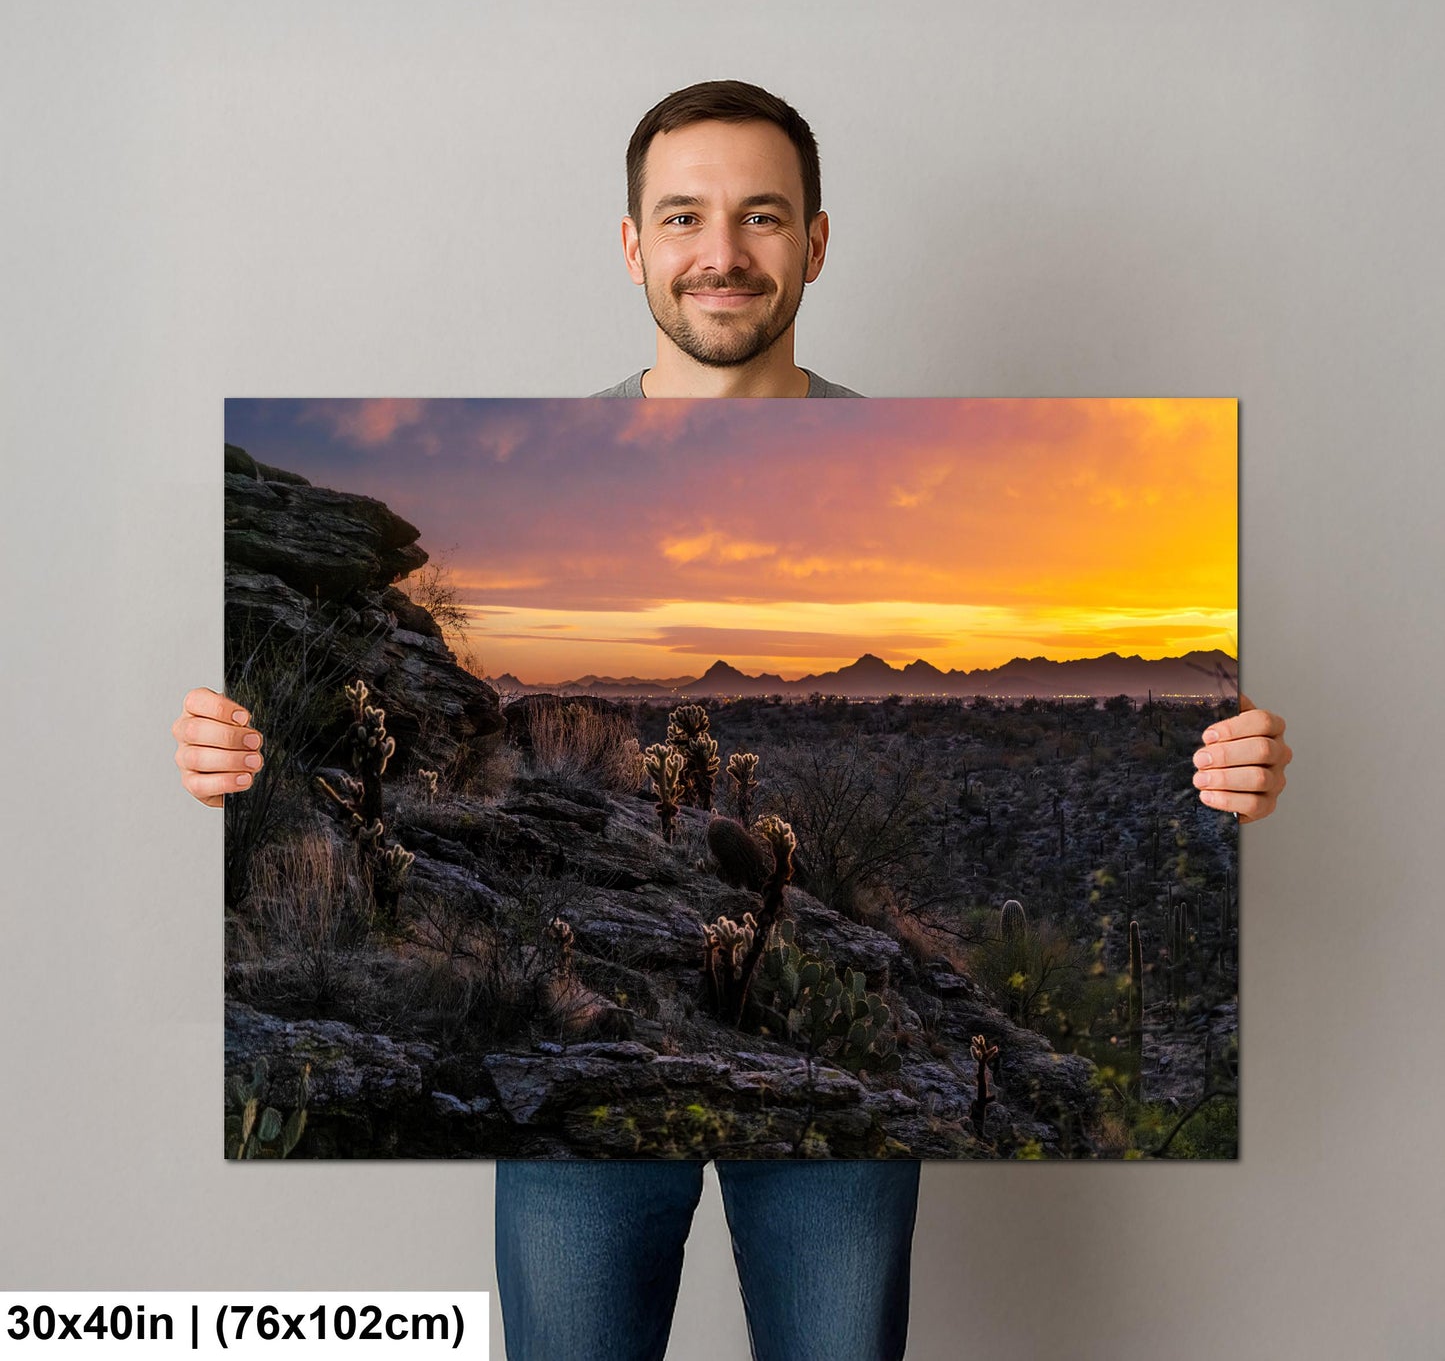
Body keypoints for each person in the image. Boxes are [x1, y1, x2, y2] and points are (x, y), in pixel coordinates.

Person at [175, 81, 1293, 1360]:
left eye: (760, 215)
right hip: (585, 1074)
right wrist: (234, 751)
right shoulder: (559, 446)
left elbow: (1184, 757)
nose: (721, 251)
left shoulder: (900, 453)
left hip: (824, 1122)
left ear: (813, 242)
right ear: (631, 243)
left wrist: (1223, 764)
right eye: (683, 216)